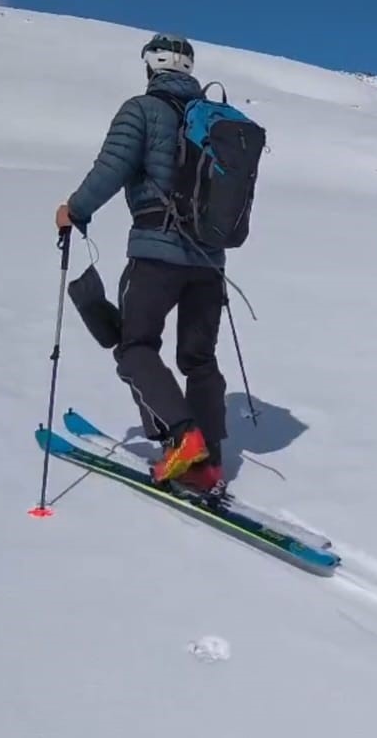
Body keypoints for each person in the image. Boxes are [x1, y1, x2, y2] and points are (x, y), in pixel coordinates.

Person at [55, 33, 229, 494]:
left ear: (152, 67)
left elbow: (111, 167)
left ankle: (183, 439)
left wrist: (75, 209)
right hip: (210, 261)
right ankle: (207, 462)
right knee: (200, 359)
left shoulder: (141, 110)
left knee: (135, 347)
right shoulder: (215, 119)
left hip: (157, 253)